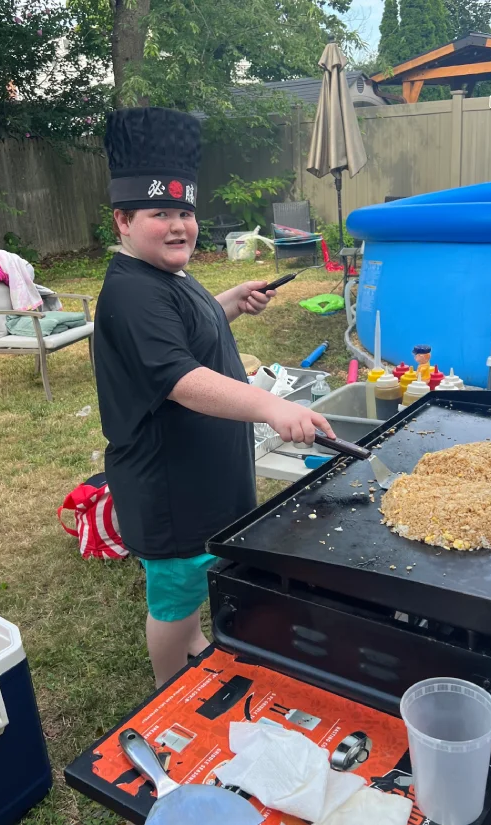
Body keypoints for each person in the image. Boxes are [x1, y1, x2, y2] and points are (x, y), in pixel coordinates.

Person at [94, 107, 335, 687]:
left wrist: (227, 301)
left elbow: (187, 330)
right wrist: (274, 406)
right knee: (175, 595)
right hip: (169, 483)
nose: (178, 226)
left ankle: (197, 648)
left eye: (184, 212)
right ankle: (167, 688)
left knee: (203, 570)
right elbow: (180, 378)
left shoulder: (166, 276)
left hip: (203, 472)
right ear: (122, 222)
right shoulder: (130, 294)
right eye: (160, 214)